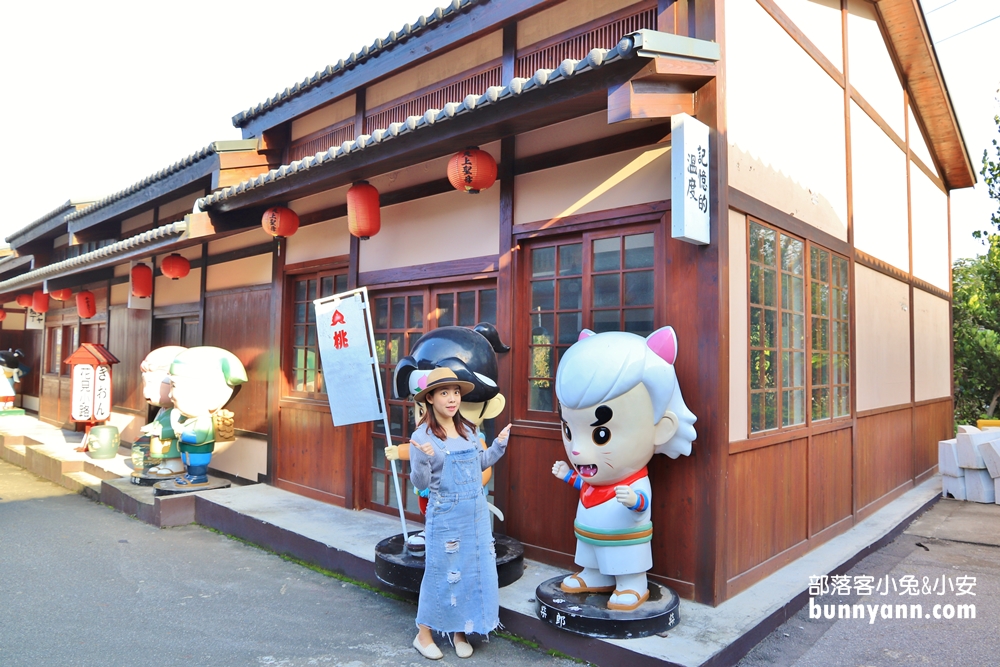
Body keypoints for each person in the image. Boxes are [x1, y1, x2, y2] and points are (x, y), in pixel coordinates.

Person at [551, 327, 696, 611]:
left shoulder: (635, 481)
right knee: (591, 553)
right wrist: (568, 475)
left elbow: (642, 505)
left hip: (625, 536)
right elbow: (586, 487)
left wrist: (634, 501)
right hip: (590, 529)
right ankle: (593, 574)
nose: (577, 450)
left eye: (600, 434)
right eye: (569, 430)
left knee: (625, 559)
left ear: (661, 429)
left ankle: (632, 583)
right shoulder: (591, 477)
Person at [407, 367, 512, 660]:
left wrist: (499, 446)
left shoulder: (468, 430)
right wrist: (423, 461)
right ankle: (423, 633)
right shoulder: (422, 436)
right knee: (440, 575)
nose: (452, 399)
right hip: (445, 516)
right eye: (444, 393)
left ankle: (459, 631)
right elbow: (421, 483)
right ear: (430, 398)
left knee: (470, 571)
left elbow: (480, 463)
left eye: (455, 392)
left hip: (476, 515)